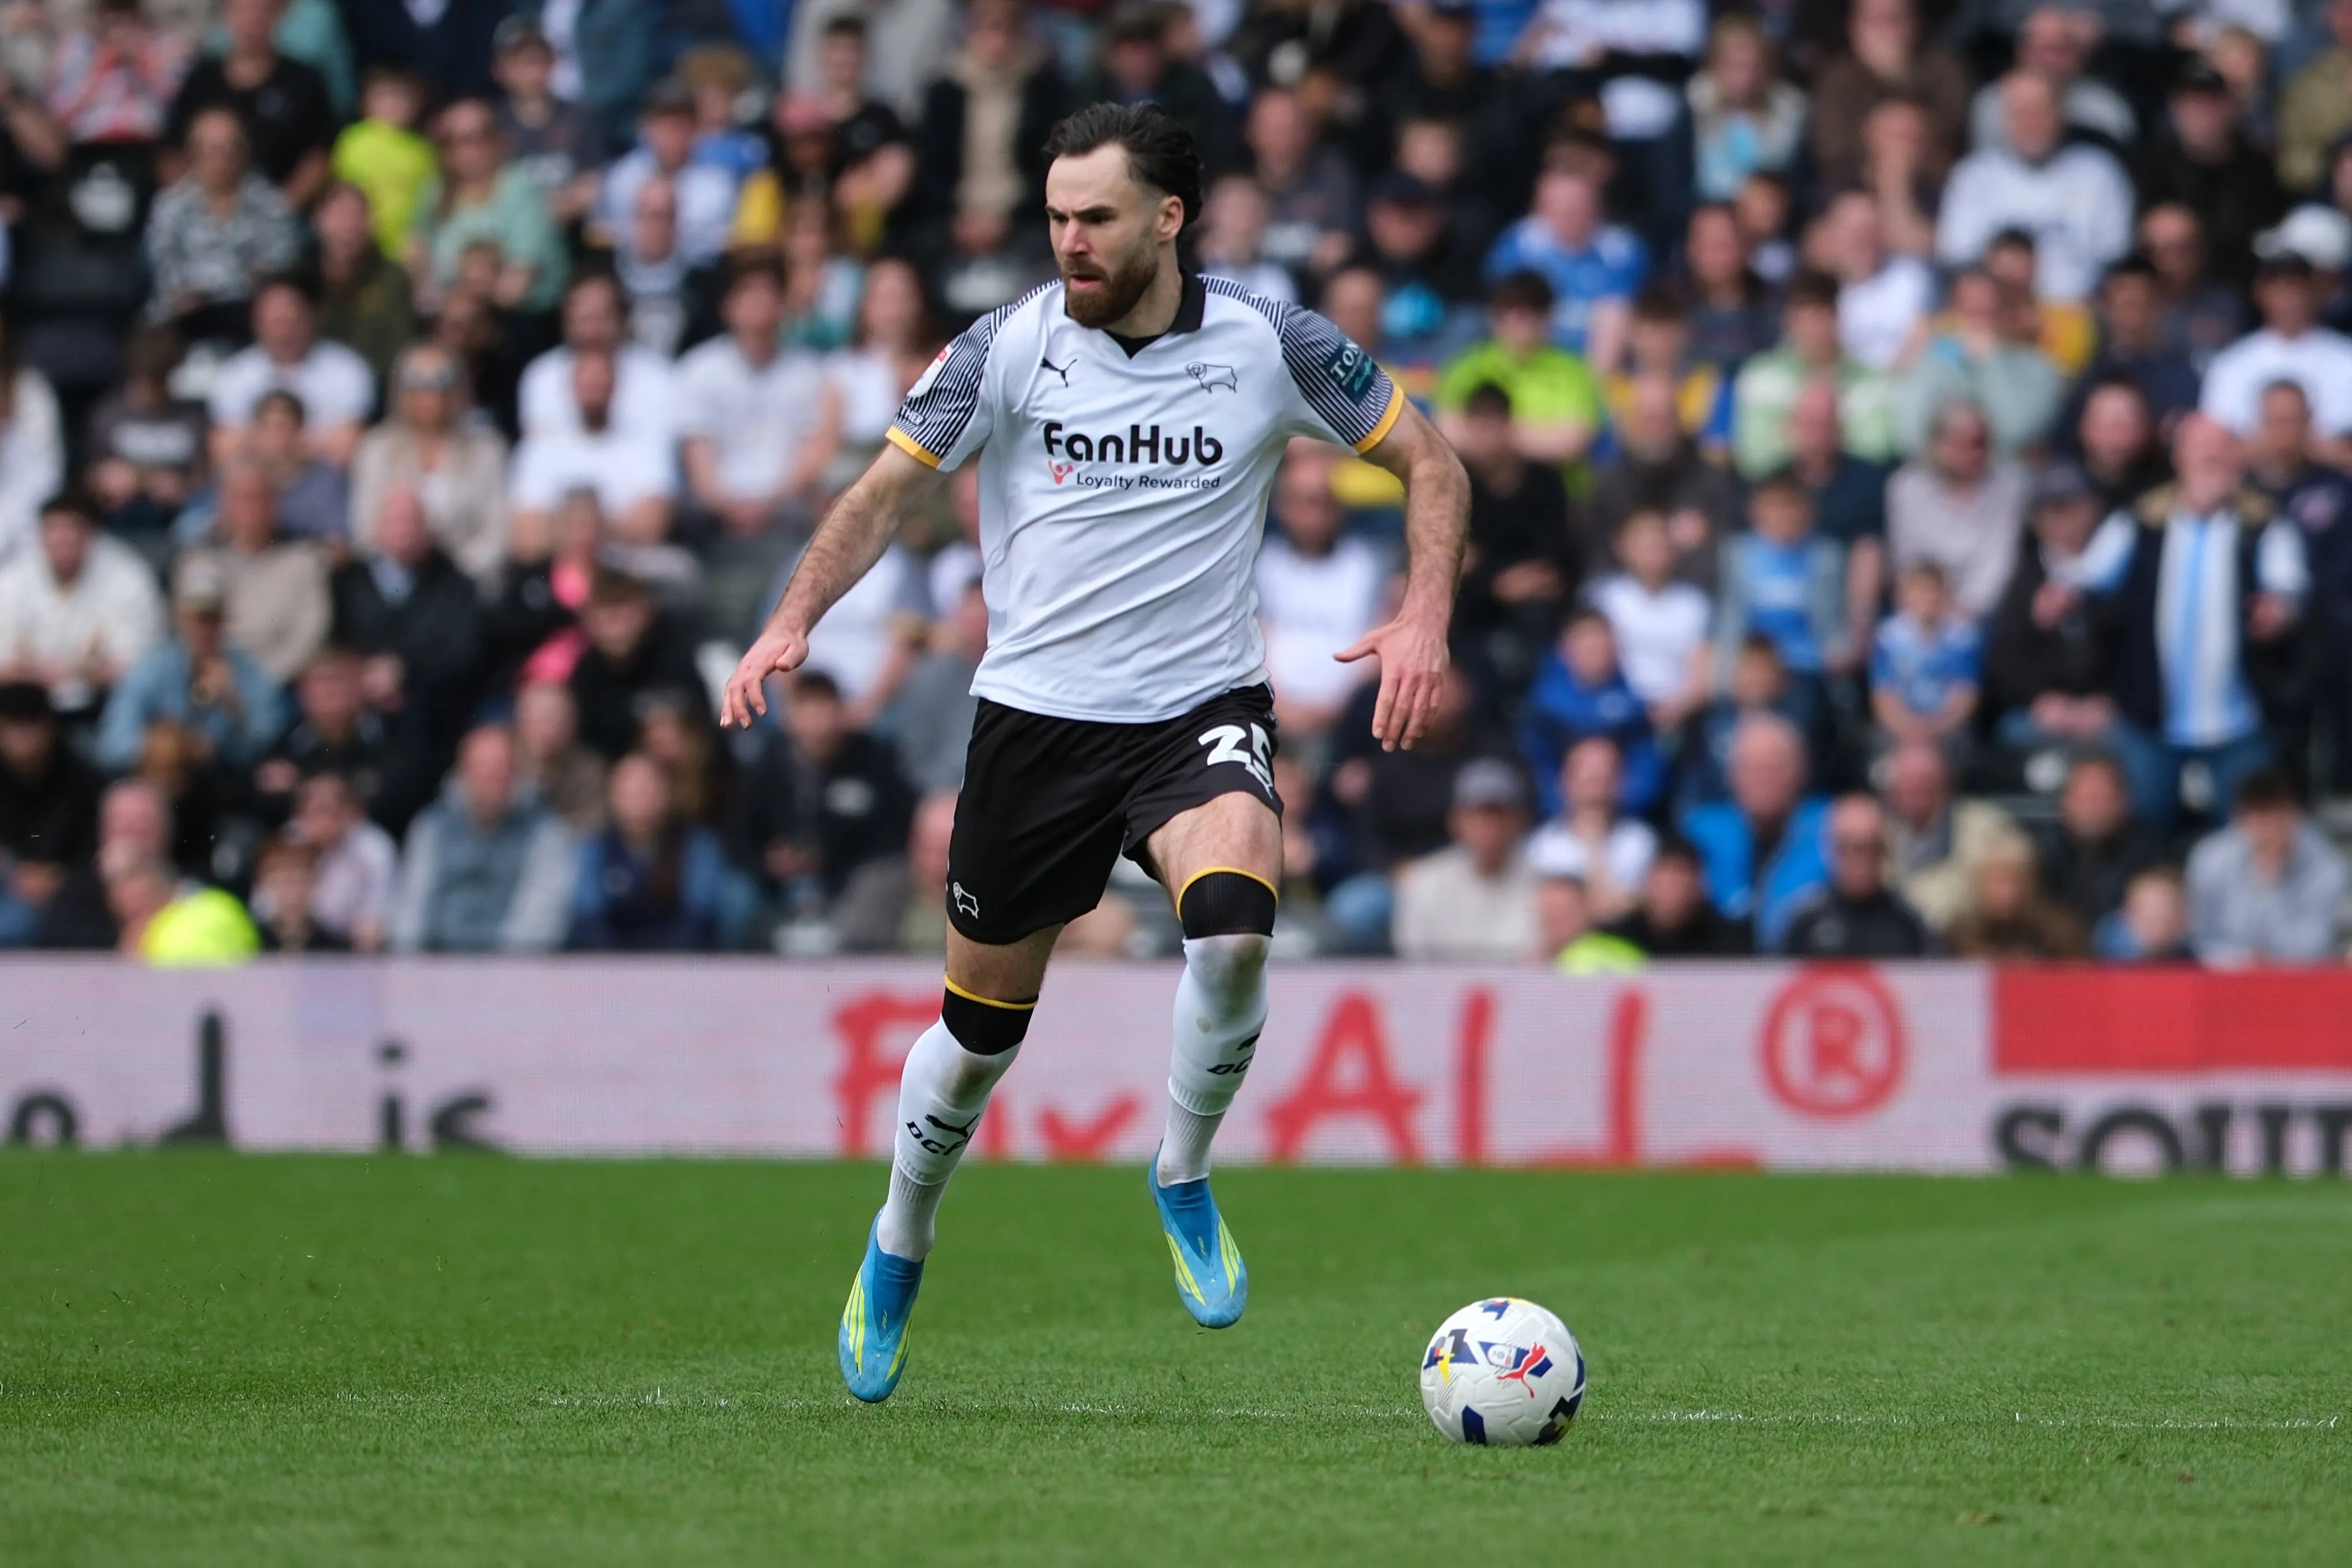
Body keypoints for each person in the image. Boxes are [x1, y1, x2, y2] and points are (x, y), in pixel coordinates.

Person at [716, 103, 1467, 1399]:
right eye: (1055, 215)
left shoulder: (1268, 340)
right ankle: (901, 1233)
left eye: (1094, 217)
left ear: (1167, 218)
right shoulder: (1005, 347)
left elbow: (1428, 457)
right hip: (1035, 729)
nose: (1067, 239)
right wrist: (790, 616)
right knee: (975, 1036)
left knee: (1233, 928)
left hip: (1195, 715)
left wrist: (1425, 611)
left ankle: (1179, 1170)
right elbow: (882, 491)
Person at [2078, 415, 2316, 826]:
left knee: (2249, 839)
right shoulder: (2138, 522)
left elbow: (2290, 589)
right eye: (2200, 446)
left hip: (2240, 721)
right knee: (2143, 831)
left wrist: (2278, 612)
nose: (2211, 456)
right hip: (2150, 719)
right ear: (2179, 456)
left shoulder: (2264, 526)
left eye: (2222, 447)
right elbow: (2086, 584)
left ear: (2238, 459)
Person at [1935, 72, 2131, 304]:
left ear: (2061, 113)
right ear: (2004, 118)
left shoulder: (2100, 172)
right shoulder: (1973, 176)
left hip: (2075, 317)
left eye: (2041, 111)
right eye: (2021, 113)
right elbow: (1959, 259)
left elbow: (2115, 261)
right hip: (1995, 320)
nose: (2031, 123)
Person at [675, 257, 832, 538]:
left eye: (768, 292)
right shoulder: (697, 370)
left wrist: (770, 504)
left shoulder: (811, 373)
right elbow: (698, 458)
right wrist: (728, 506)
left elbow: (812, 453)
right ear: (727, 305)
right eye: (747, 291)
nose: (758, 301)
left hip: (788, 510)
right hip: (712, 514)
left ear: (784, 303)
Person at [388, 723, 578, 954]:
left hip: (514, 972)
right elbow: (413, 906)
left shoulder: (545, 832)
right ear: (462, 772)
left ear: (516, 773)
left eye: (501, 767)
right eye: (482, 767)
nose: (492, 776)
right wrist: (410, 968)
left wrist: (499, 977)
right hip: (436, 966)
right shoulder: (431, 828)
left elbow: (541, 917)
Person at [1255, 445, 1387, 748]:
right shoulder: (1259, 566)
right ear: (1282, 507)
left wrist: (1342, 709)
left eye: (1326, 501)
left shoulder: (1370, 565)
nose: (1317, 512)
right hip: (1273, 718)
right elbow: (1250, 645)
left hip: (1353, 722)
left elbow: (1380, 642)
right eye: (1306, 501)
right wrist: (1283, 709)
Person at [349, 344, 511, 590]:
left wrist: (453, 579)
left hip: (468, 584)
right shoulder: (377, 448)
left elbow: (497, 532)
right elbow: (364, 528)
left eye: (442, 384)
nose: (431, 395)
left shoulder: (487, 450)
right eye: (419, 385)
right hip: (395, 585)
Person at [0, 491, 164, 712]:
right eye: (52, 529)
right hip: (24, 704)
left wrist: (74, 675)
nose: (61, 539)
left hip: (104, 701)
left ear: (92, 534)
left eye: (71, 530)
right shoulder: (13, 578)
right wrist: (42, 676)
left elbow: (137, 663)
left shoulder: (128, 577)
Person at [143, 105, 300, 334]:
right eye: (210, 150)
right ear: (192, 154)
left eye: (230, 149)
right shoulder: (169, 206)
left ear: (245, 152)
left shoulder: (272, 204)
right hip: (184, 318)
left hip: (252, 318)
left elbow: (280, 268)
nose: (220, 160)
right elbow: (164, 269)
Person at [1679, 712, 1829, 951]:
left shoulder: (1831, 830)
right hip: (1718, 970)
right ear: (1732, 775)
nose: (1763, 779)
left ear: (1802, 771)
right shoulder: (1699, 835)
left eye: (1775, 767)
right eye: (1751, 768)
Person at [408, 95, 568, 316]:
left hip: (513, 318)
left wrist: (462, 306)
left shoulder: (520, 190)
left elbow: (519, 279)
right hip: (447, 317)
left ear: (496, 140)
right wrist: (427, 292)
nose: (462, 151)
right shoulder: (436, 190)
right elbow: (417, 247)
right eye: (450, 141)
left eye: (473, 139)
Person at [165, 0, 334, 206]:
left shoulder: (305, 81)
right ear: (226, 15)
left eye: (262, 9)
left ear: (279, 16)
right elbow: (171, 153)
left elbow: (319, 155)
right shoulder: (201, 80)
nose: (253, 18)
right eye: (242, 9)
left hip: (284, 215)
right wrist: (207, 208)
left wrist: (280, 209)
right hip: (205, 213)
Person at [1731, 270, 1897, 479]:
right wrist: (1837, 434)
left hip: (1847, 495)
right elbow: (1754, 459)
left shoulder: (1872, 381)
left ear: (1838, 316)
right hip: (1780, 492)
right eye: (1805, 316)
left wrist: (1793, 435)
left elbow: (1875, 455)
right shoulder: (1759, 376)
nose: (1814, 327)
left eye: (1823, 313)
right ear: (1789, 319)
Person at [181, 459, 329, 684]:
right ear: (224, 505)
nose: (252, 508)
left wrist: (254, 682)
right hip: (209, 680)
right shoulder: (200, 561)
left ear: (277, 504)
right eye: (242, 498)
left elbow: (308, 637)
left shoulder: (303, 562)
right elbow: (190, 631)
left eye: (261, 498)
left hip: (278, 686)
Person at [1434, 271, 1602, 468]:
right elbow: (1447, 434)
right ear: (1493, 315)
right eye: (1509, 308)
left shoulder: (1573, 371)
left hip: (1556, 492)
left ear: (1549, 315)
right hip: (1479, 486)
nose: (1520, 319)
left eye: (1533, 309)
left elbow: (1574, 442)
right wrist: (1536, 434)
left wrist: (1492, 433)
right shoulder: (1466, 367)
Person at [206, 275, 375, 469]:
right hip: (257, 483)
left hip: (325, 484)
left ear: (313, 317)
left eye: (289, 321)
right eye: (274, 323)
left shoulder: (347, 370)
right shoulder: (235, 374)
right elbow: (225, 448)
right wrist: (308, 444)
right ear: (256, 323)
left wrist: (270, 444)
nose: (282, 333)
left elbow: (348, 446)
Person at [2183, 768, 2347, 964]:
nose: (2271, 832)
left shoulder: (2327, 867)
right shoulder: (2209, 860)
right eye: (2262, 821)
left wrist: (2271, 887)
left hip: (2297, 979)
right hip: (2223, 977)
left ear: (2296, 815)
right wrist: (2242, 961)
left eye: (2279, 820)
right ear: (2240, 820)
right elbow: (2198, 938)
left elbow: (2316, 945)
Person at [1884, 400, 2028, 622]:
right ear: (1936, 442)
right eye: (1960, 443)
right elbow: (1908, 560)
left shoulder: (2010, 485)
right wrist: (1931, 606)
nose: (1971, 453)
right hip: (1921, 608)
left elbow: (1999, 561)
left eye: (1979, 443)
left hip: (1987, 612)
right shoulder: (1906, 488)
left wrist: (1966, 609)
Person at [568, 751, 727, 951]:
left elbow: (699, 919)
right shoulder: (596, 848)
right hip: (609, 968)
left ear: (667, 793)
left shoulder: (698, 846)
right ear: (613, 797)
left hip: (681, 966)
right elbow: (589, 920)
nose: (641, 800)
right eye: (631, 792)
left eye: (648, 790)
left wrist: (657, 966)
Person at [2198, 255, 2352, 449]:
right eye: (2278, 291)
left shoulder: (2346, 357)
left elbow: (2342, 440)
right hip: (2250, 477)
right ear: (2260, 294)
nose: (2289, 301)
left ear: (2315, 292)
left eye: (2296, 290)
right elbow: (2219, 436)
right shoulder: (2231, 363)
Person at [1391, 758, 1538, 961]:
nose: (1489, 826)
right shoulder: (1422, 883)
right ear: (1456, 821)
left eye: (1499, 814)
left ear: (1520, 820)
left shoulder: (1543, 884)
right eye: (1478, 814)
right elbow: (1413, 968)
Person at [0, 681, 102, 946]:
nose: (24, 742)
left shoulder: (82, 780)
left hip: (70, 890)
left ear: (51, 728)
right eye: (14, 728)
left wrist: (61, 878)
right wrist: (13, 872)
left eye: (31, 728)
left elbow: (95, 847)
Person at [1880, 736, 2014, 933]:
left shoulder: (1985, 828)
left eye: (1924, 780)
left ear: (1946, 782)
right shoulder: (1875, 830)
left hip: (1963, 944)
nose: (1915, 788)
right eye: (1907, 780)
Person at [1780, 793, 1932, 958]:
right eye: (1847, 848)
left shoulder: (1909, 924)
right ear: (1830, 850)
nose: (1860, 861)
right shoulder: (1804, 923)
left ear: (1886, 851)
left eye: (1870, 847)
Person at [1524, 736, 1655, 923]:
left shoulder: (1641, 842)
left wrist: (1594, 846)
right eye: (1590, 780)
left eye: (1605, 780)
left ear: (1621, 784)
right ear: (1565, 783)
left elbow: (1622, 914)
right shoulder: (1541, 845)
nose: (1597, 793)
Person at [2034, 752, 2165, 932]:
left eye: (2102, 798)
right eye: (2086, 799)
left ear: (2123, 802)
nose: (2093, 809)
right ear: (2065, 802)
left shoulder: (2150, 856)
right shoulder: (2039, 854)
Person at [1870, 561, 1978, 755]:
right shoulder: (1889, 638)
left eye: (1932, 591)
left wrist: (1932, 729)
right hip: (1900, 727)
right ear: (1903, 597)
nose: (1927, 599)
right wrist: (1909, 729)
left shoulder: (1961, 638)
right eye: (1919, 591)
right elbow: (1883, 698)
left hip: (1945, 728)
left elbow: (1965, 698)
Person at [1944, 827, 2086, 959]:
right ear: (1978, 884)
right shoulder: (1960, 934)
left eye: (2014, 879)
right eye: (1997, 880)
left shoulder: (2059, 931)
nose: (2007, 891)